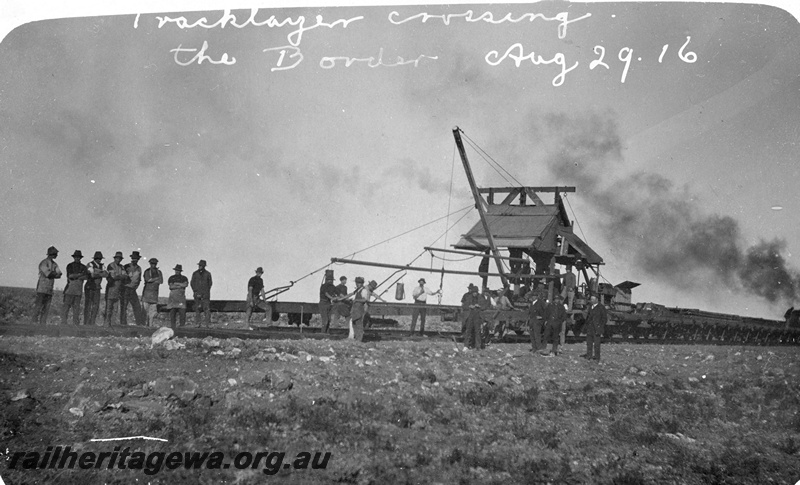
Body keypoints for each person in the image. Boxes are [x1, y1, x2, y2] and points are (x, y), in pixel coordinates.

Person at [34, 246, 62, 325]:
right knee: (38, 307)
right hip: (42, 288)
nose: (56, 255)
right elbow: (48, 274)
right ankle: (33, 324)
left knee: (46, 308)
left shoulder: (54, 264)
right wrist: (53, 274)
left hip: (49, 289)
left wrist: (52, 274)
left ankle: (42, 324)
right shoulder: (44, 262)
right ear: (52, 254)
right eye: (55, 254)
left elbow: (59, 274)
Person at [342, 277, 376, 342]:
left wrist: (356, 300)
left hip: (359, 309)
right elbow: (351, 294)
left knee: (358, 324)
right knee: (354, 323)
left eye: (359, 283)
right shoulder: (358, 290)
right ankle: (356, 338)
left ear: (362, 283)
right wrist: (342, 298)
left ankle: (359, 339)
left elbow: (364, 299)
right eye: (357, 283)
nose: (358, 284)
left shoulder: (364, 290)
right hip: (355, 309)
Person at [61, 250, 88, 325]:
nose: (77, 258)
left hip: (78, 291)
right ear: (74, 257)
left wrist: (76, 276)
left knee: (76, 309)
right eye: (76, 257)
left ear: (80, 258)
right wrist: (80, 275)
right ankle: (63, 323)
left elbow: (86, 277)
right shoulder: (70, 265)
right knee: (66, 307)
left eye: (78, 257)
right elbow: (70, 276)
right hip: (69, 289)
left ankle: (75, 324)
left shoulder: (83, 267)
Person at [120, 251, 145, 326]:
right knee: (124, 306)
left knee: (137, 306)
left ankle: (139, 324)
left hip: (133, 290)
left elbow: (139, 279)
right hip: (125, 289)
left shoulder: (139, 268)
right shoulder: (126, 266)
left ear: (138, 259)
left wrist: (136, 286)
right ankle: (123, 323)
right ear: (131, 258)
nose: (135, 260)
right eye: (133, 258)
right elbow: (122, 277)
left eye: (136, 259)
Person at [83, 251, 107, 326]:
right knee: (88, 305)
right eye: (97, 258)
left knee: (96, 305)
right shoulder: (90, 264)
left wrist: (97, 273)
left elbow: (106, 274)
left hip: (97, 287)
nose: (99, 260)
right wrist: (100, 274)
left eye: (100, 258)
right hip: (90, 286)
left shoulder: (102, 265)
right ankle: (86, 322)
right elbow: (92, 275)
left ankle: (92, 321)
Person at [581, 294, 608, 361]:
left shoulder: (601, 307)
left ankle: (597, 357)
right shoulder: (590, 307)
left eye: (593, 299)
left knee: (597, 344)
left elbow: (604, 319)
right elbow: (588, 317)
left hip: (597, 329)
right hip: (590, 328)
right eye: (591, 299)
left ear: (597, 299)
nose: (591, 300)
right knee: (589, 343)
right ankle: (589, 355)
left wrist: (600, 326)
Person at [104, 252, 127, 326]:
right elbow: (113, 277)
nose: (118, 260)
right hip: (111, 288)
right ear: (115, 258)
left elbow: (125, 276)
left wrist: (118, 276)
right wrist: (120, 276)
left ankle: (113, 325)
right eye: (117, 258)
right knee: (108, 308)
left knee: (115, 309)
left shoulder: (122, 267)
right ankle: (106, 324)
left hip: (118, 289)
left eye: (120, 258)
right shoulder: (110, 265)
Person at [461, 283, 486, 350]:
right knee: (468, 331)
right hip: (470, 316)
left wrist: (479, 306)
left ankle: (478, 346)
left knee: (477, 331)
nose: (474, 293)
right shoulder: (468, 297)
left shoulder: (480, 297)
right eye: (473, 292)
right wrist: (469, 306)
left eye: (475, 292)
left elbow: (485, 306)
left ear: (477, 292)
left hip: (477, 316)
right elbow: (464, 306)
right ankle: (466, 345)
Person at [142, 258, 163, 327]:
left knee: (152, 314)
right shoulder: (147, 271)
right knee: (145, 313)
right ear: (150, 264)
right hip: (147, 295)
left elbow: (161, 281)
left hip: (154, 296)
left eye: (154, 264)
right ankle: (144, 327)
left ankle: (150, 327)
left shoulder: (159, 272)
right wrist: (156, 279)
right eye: (152, 263)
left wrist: (153, 280)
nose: (153, 265)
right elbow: (148, 279)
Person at [191, 259, 213, 326]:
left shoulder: (208, 274)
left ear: (204, 266)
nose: (200, 266)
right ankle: (198, 323)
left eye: (202, 265)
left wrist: (204, 293)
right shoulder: (195, 274)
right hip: (197, 294)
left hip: (205, 295)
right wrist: (196, 292)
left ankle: (208, 324)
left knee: (206, 309)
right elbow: (192, 283)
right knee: (197, 309)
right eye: (199, 265)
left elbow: (210, 284)